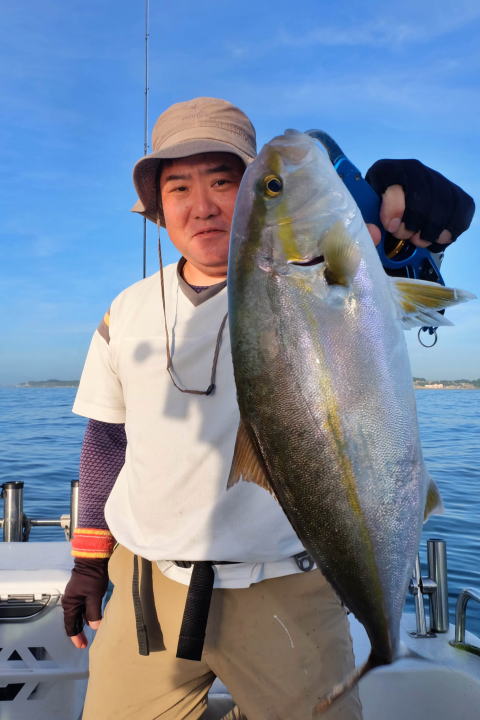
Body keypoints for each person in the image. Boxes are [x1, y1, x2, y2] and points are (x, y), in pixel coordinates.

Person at [62, 97, 475, 720]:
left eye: (223, 181)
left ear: (253, 193)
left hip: (287, 587)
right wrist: (89, 561)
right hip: (149, 588)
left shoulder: (336, 271)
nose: (202, 205)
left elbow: (399, 277)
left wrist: (409, 219)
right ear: (158, 210)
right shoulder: (126, 310)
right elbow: (107, 438)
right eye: (179, 188)